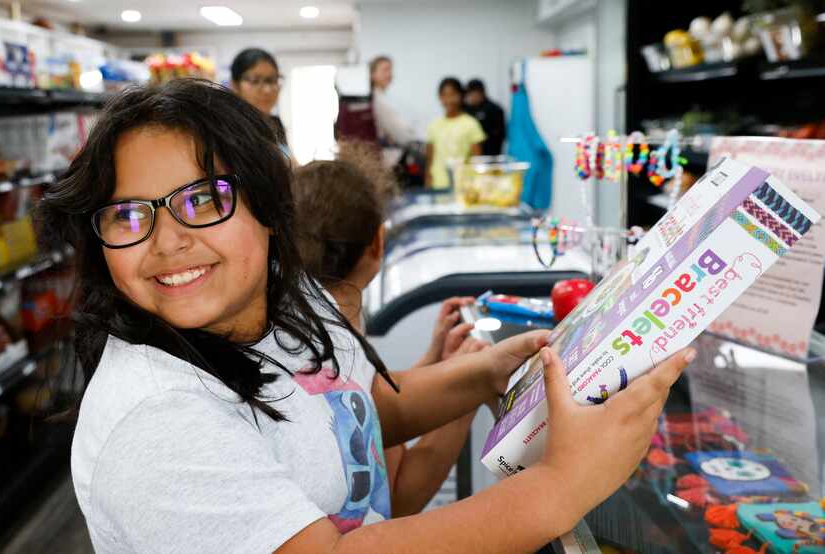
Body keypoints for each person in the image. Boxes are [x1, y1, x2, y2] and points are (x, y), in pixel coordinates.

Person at [40, 78, 693, 553]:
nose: (168, 240)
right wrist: (562, 486)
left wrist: (487, 373)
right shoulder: (156, 419)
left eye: (204, 199)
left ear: (270, 206)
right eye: (128, 214)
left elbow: (356, 408)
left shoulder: (285, 299)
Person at [292, 146, 488, 516]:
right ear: (377, 243)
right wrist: (469, 388)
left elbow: (379, 410)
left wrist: (436, 362)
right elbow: (400, 496)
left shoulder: (307, 328)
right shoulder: (344, 351)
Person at [426, 77, 486, 189]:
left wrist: (477, 185)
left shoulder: (471, 124)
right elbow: (430, 161)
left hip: (463, 186)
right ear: (440, 97)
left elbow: (477, 161)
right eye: (444, 95)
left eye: (453, 95)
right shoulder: (434, 125)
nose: (449, 100)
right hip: (438, 186)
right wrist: (428, 184)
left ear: (461, 96)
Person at [230, 48, 288, 147]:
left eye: (272, 80)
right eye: (255, 80)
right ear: (235, 85)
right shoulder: (229, 127)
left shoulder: (275, 123)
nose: (267, 90)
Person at [369, 55, 417, 147]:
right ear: (372, 74)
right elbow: (400, 135)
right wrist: (412, 137)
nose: (389, 74)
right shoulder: (377, 100)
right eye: (385, 70)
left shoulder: (382, 98)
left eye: (390, 70)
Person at [464, 79, 506, 156]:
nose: (472, 97)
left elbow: (500, 134)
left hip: (490, 153)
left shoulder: (494, 109)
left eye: (475, 94)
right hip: (470, 154)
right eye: (469, 94)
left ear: (482, 93)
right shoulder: (466, 110)